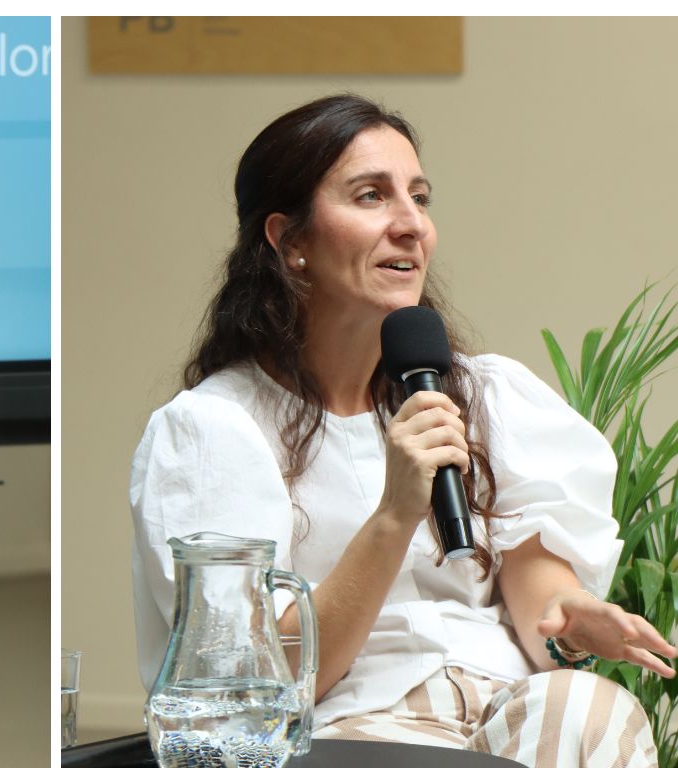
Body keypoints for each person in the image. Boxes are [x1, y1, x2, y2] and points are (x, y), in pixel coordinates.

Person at [129, 94, 670, 765]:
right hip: (350, 730)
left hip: (512, 710)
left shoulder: (483, 395)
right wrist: (393, 515)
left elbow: (543, 611)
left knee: (590, 706)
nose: (412, 225)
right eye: (371, 196)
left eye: (419, 197)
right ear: (290, 241)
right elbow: (256, 689)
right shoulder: (214, 431)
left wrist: (569, 621)